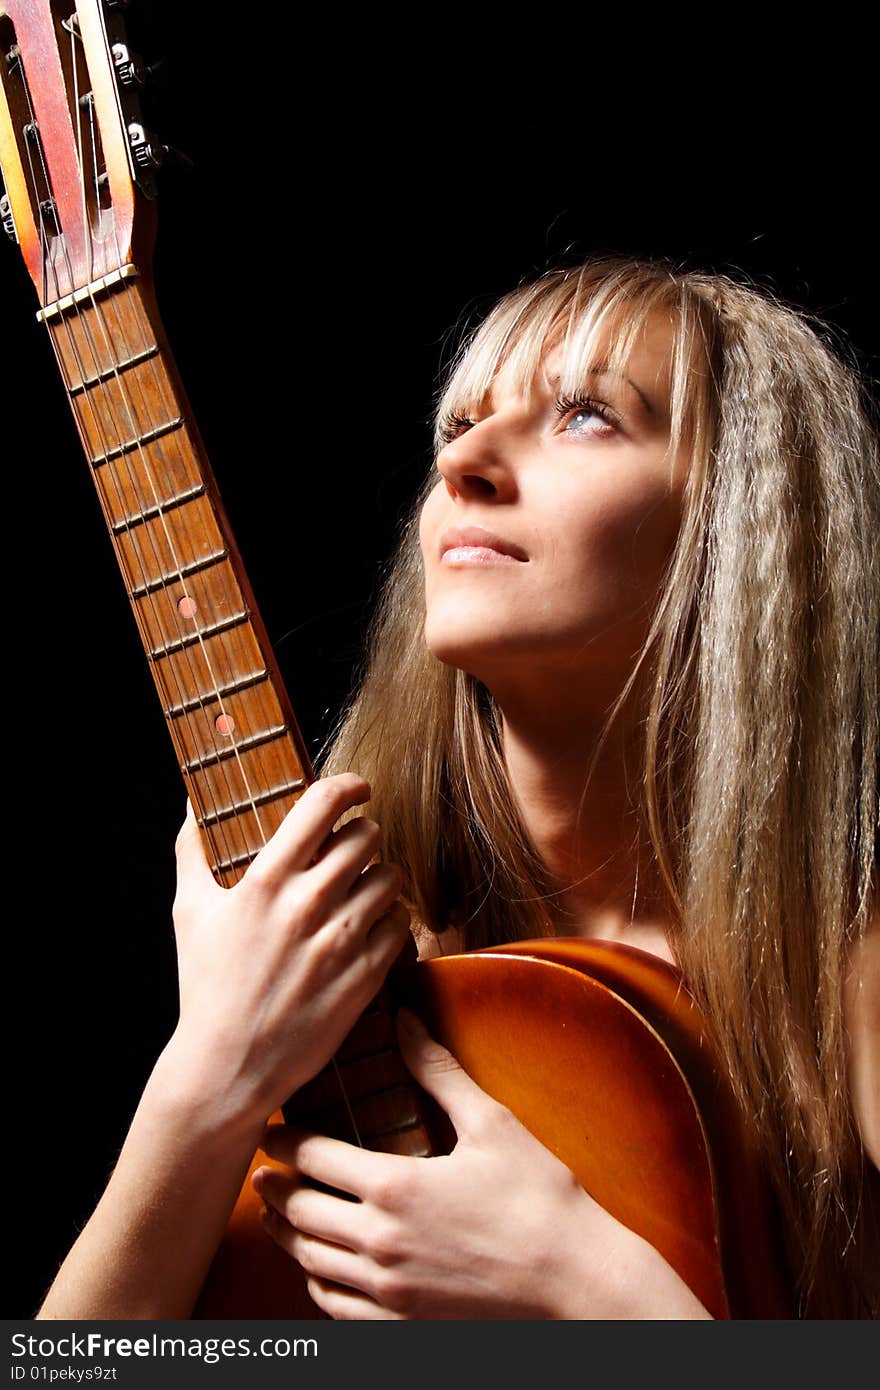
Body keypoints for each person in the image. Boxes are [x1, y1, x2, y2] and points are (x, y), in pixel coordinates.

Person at [36, 255, 878, 1320]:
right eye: (459, 425)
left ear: (744, 523)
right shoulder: (318, 964)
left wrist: (581, 1283)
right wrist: (208, 1072)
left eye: (585, 416)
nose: (468, 461)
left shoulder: (839, 974)